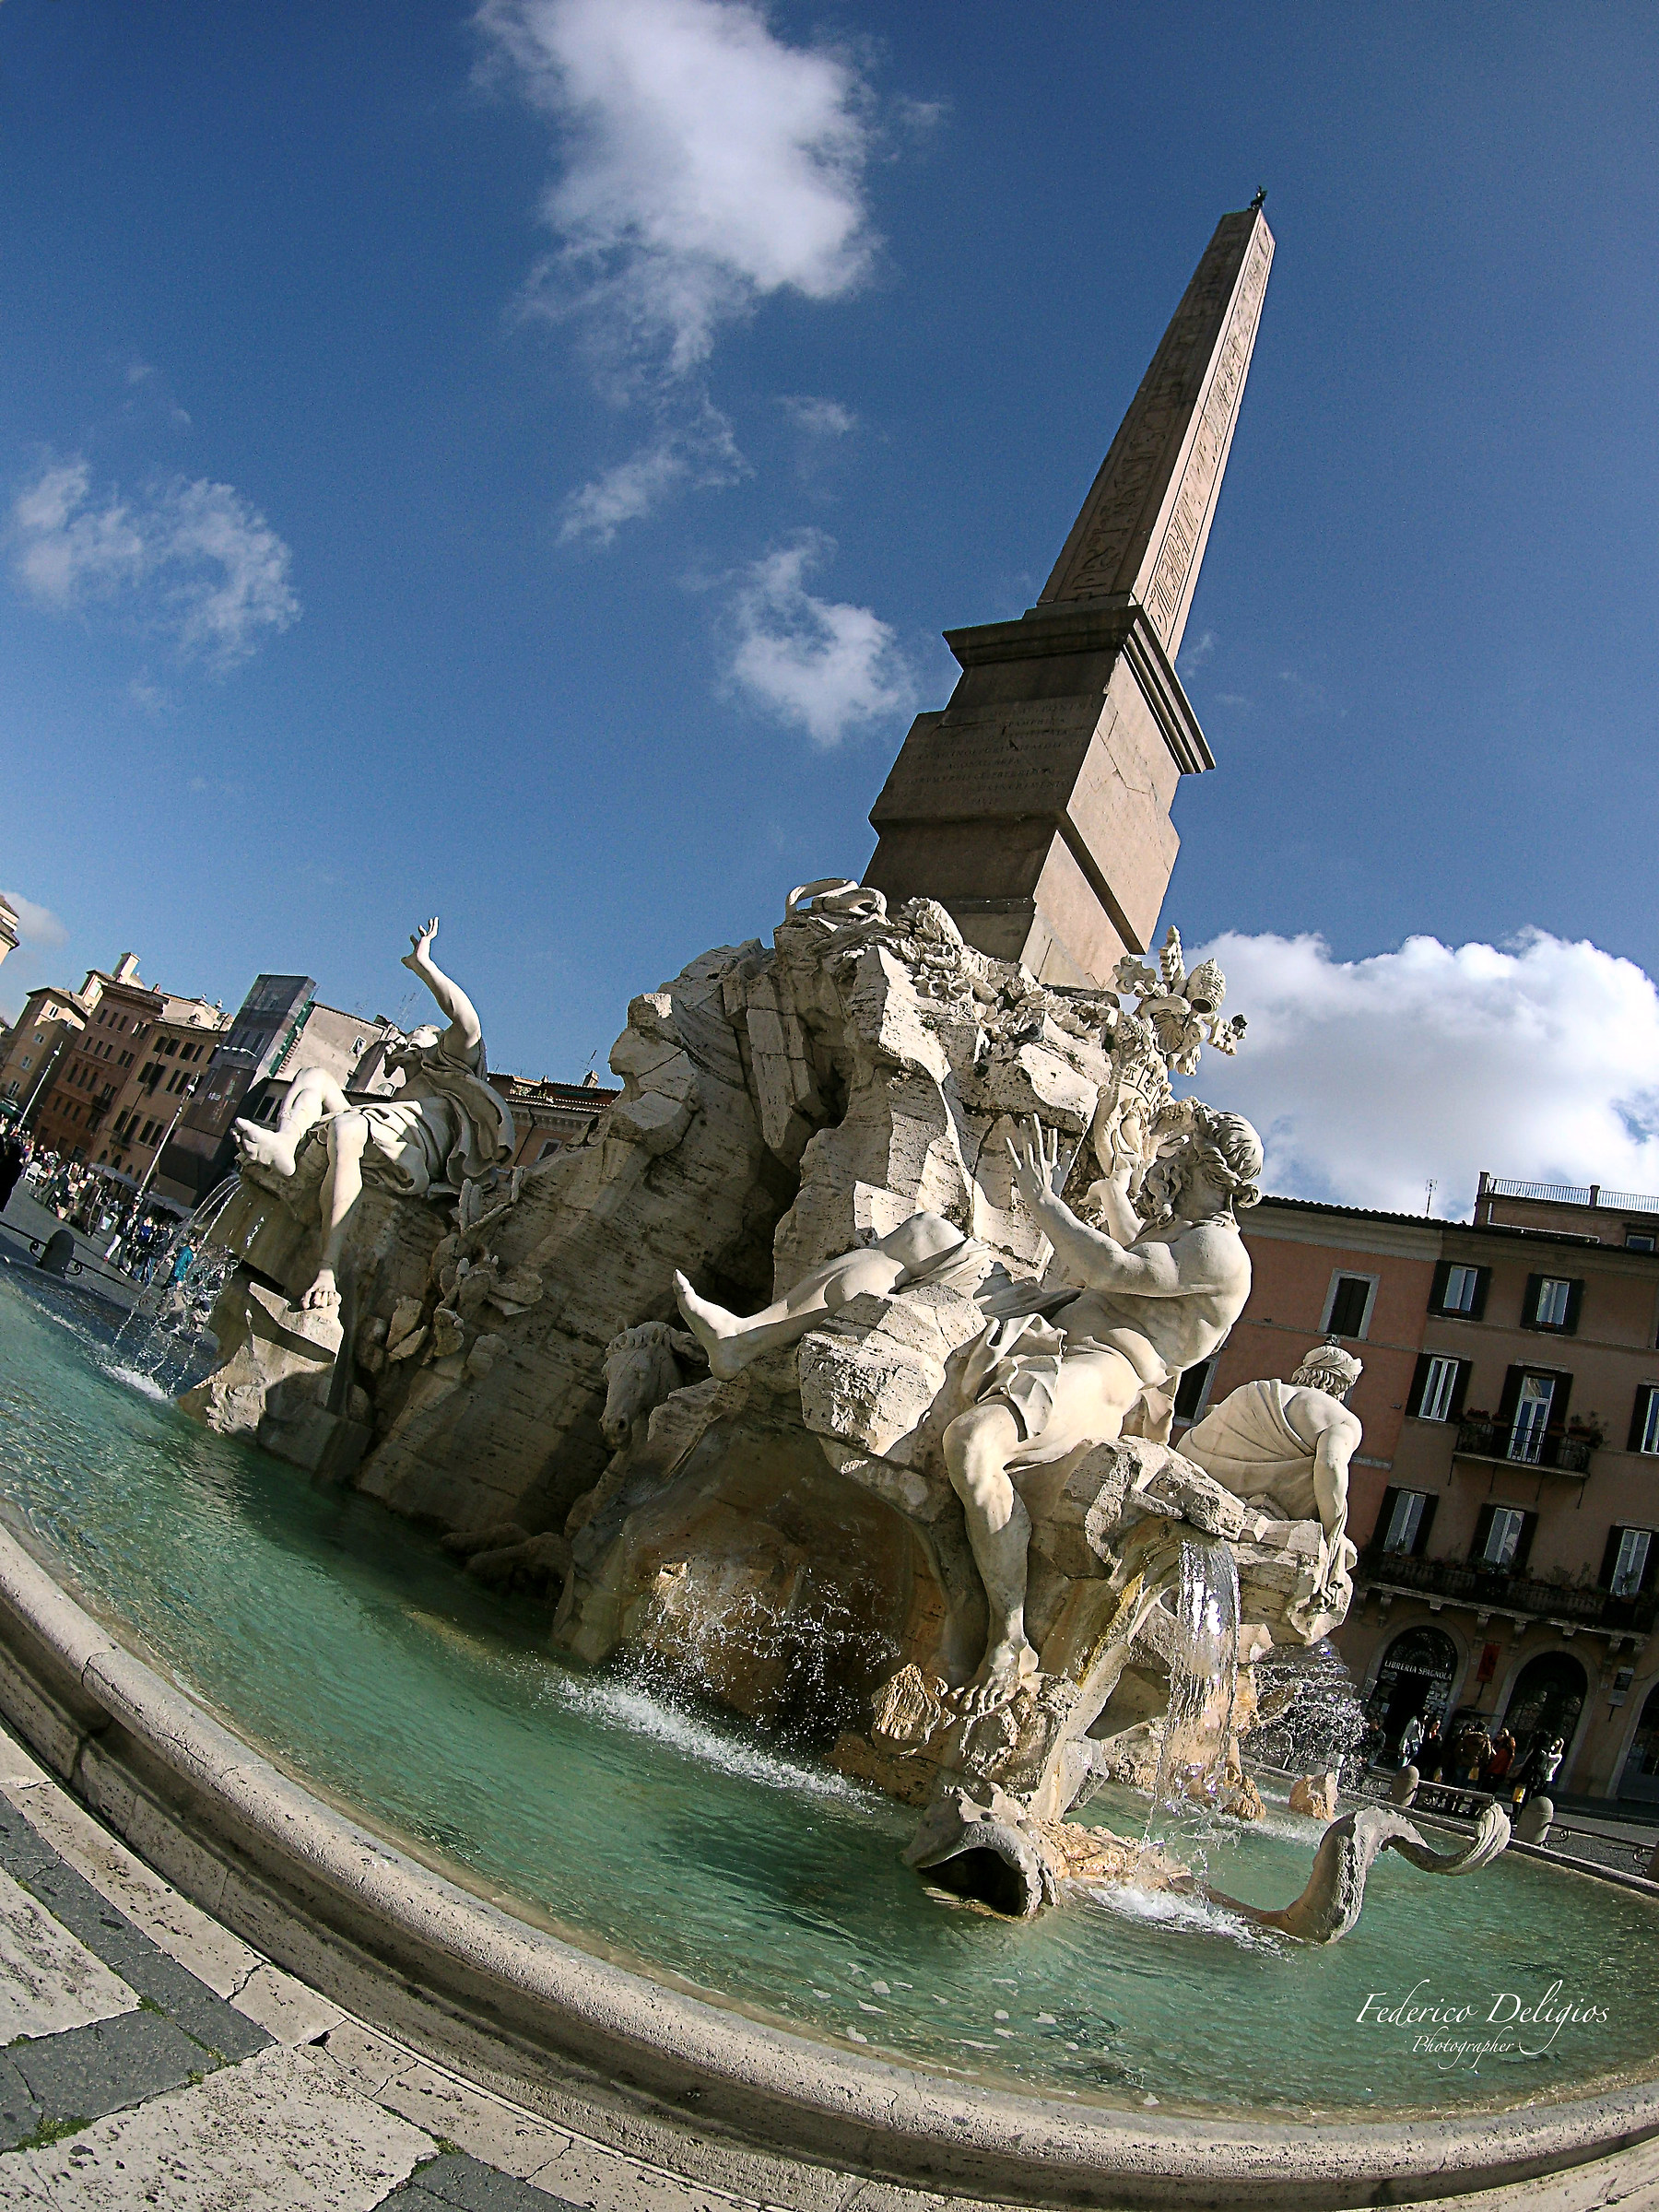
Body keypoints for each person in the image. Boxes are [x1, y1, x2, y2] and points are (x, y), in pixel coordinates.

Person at [940, 1105, 1262, 1710]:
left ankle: (1010, 1639)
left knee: (973, 1444)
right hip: (1047, 1319)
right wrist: (1113, 1184)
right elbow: (1132, 1243)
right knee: (929, 1242)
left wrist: (1044, 1202)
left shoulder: (1218, 1250)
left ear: (1201, 1160)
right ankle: (748, 1333)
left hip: (1099, 1369)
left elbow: (1113, 1267)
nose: (1165, 1153)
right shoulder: (1176, 1232)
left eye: (1178, 1146)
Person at [233, 919, 513, 1312]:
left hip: (415, 1150)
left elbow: (467, 1022)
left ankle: (326, 1270)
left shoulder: (451, 1066)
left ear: (435, 1044)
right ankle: (284, 1142)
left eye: (416, 1035)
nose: (403, 1040)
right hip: (380, 1128)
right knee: (314, 1075)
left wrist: (424, 966)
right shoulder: (401, 1090)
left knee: (348, 1125)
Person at [1180, 1340, 1362, 1640]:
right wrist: (1334, 1532)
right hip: (1264, 1515)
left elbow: (1193, 1441)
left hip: (1205, 1492)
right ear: (1342, 1384)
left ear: (1305, 1371)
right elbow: (1330, 1466)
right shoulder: (1341, 1418)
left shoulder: (1253, 1390)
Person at [1417, 1716, 1443, 1783]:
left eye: (1439, 1725)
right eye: (1436, 1724)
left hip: (1432, 1757)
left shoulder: (1437, 1735)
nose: (1437, 1726)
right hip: (1423, 1754)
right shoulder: (1427, 1732)